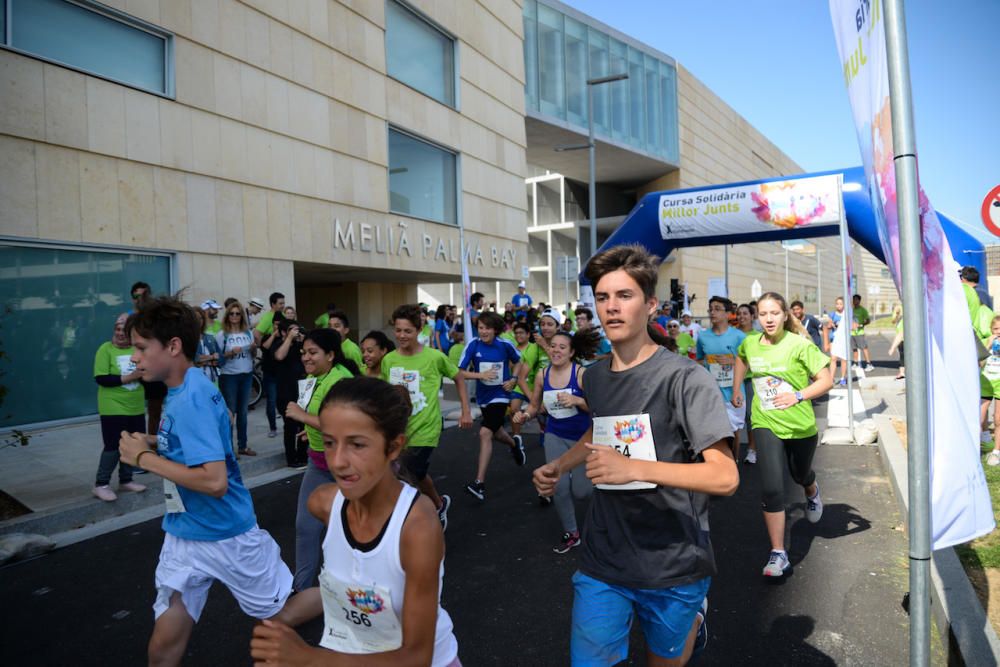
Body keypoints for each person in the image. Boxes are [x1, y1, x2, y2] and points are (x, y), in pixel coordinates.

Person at [533, 245, 738, 666]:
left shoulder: (685, 377)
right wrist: (561, 464)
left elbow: (725, 477)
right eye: (603, 297)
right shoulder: (595, 377)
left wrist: (632, 468)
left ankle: (692, 620)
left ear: (650, 304)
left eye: (624, 296)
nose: (611, 307)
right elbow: (601, 426)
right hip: (603, 556)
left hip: (672, 560)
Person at [117, 296, 315, 666]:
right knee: (169, 624)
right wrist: (157, 442)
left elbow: (214, 481)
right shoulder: (187, 384)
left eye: (142, 348)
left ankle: (346, 593)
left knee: (280, 614)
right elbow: (200, 443)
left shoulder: (191, 396)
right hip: (184, 532)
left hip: (228, 534)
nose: (135, 358)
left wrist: (143, 458)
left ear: (173, 347)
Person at [249, 377, 461, 667]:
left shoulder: (416, 527)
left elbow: (416, 657)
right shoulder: (323, 503)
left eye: (357, 444)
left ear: (393, 447)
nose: (337, 461)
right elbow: (345, 586)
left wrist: (308, 658)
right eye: (329, 443)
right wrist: (276, 623)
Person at [732, 292, 833, 578]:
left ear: (785, 314)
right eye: (762, 314)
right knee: (773, 488)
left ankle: (811, 488)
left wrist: (798, 396)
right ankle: (778, 553)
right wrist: (738, 388)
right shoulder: (750, 343)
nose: (768, 319)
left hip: (800, 426)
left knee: (800, 474)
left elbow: (826, 380)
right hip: (765, 422)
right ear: (756, 316)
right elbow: (741, 359)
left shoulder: (799, 345)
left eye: (774, 313)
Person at [382, 305, 473, 530]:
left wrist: (466, 410)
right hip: (398, 429)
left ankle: (410, 527)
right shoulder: (389, 360)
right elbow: (385, 394)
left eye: (408, 331)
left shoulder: (434, 357)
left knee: (407, 476)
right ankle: (439, 504)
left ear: (419, 330)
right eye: (399, 330)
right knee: (417, 474)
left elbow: (459, 377)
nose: (402, 336)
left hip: (426, 428)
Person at [283, 329, 359, 591]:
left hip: (347, 468)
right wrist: (312, 429)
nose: (306, 358)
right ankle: (301, 589)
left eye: (313, 353)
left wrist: (303, 417)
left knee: (351, 529)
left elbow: (343, 428)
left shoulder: (340, 381)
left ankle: (358, 588)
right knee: (305, 526)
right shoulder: (316, 377)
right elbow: (324, 419)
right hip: (318, 462)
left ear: (330, 355)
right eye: (304, 352)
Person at [515, 328, 599, 553]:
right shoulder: (543, 374)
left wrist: (577, 400)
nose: (556, 350)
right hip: (554, 434)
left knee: (583, 491)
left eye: (562, 347)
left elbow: (598, 408)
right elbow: (534, 404)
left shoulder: (581, 374)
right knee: (558, 485)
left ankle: (601, 519)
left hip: (582, 438)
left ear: (571, 352)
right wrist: (525, 414)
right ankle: (572, 533)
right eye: (553, 346)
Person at [458, 311, 525, 501]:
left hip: (501, 395)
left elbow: (518, 361)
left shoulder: (504, 345)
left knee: (485, 433)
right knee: (495, 432)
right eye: (480, 328)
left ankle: (479, 483)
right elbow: (460, 373)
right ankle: (514, 445)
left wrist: (513, 379)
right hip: (483, 396)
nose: (483, 331)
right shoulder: (473, 345)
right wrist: (480, 376)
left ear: (495, 329)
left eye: (487, 328)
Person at [92, 313, 148, 502]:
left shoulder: (136, 349)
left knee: (133, 443)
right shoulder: (105, 349)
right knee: (113, 447)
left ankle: (126, 480)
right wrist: (130, 377)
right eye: (117, 328)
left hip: (136, 405)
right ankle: (101, 484)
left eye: (124, 329)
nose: (120, 333)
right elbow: (101, 378)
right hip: (112, 406)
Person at [696, 297, 747, 460]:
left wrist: (733, 361)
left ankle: (735, 465)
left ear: (728, 314)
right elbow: (698, 359)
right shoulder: (703, 337)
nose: (712, 312)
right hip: (711, 392)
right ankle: (723, 467)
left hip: (734, 392)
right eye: (710, 309)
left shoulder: (739, 336)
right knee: (716, 434)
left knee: (734, 433)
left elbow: (750, 363)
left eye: (717, 309)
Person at [216, 301, 257, 457]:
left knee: (243, 413)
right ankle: (229, 449)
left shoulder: (248, 333)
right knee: (230, 413)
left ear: (241, 316)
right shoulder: (222, 335)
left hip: (246, 374)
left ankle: (243, 446)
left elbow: (252, 356)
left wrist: (253, 349)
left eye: (237, 313)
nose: (234, 316)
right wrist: (230, 353)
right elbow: (218, 359)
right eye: (232, 313)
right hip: (229, 376)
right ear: (227, 316)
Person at [273, 318, 307, 469]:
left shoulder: (301, 345)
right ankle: (291, 459)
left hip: (302, 391)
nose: (295, 332)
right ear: (283, 332)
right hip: (285, 393)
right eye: (291, 330)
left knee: (303, 424)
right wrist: (289, 339)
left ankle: (302, 456)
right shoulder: (279, 344)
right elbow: (279, 356)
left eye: (296, 329)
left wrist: (303, 340)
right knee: (290, 426)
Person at [824, 297, 850, 385]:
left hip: (843, 339)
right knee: (833, 359)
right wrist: (831, 324)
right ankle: (831, 378)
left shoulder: (846, 315)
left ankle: (843, 378)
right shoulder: (832, 314)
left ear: (844, 305)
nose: (839, 306)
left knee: (843, 359)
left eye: (841, 304)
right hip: (833, 339)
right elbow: (828, 325)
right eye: (837, 304)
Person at [193, 308, 221, 385]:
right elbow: (194, 358)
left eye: (201, 318)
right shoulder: (187, 338)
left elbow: (219, 356)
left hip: (212, 379)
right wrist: (211, 358)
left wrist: (205, 361)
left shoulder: (210, 337)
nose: (198, 321)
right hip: (195, 380)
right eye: (195, 318)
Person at [850, 294, 874, 372]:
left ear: (859, 301)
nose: (855, 301)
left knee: (864, 348)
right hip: (852, 333)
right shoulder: (851, 310)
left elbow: (868, 320)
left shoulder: (863, 310)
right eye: (854, 300)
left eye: (856, 300)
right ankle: (856, 363)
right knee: (854, 349)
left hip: (859, 333)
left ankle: (869, 364)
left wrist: (861, 325)